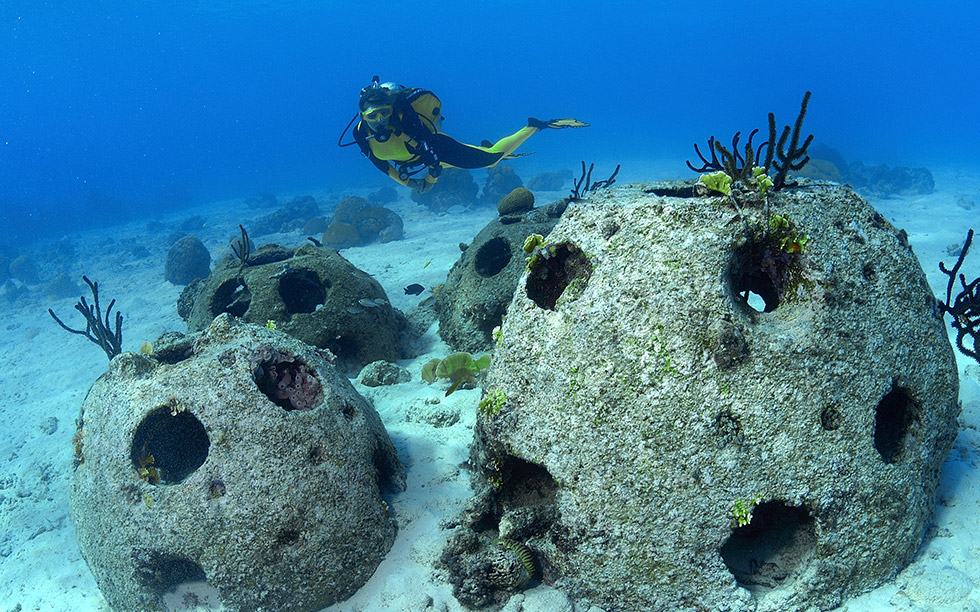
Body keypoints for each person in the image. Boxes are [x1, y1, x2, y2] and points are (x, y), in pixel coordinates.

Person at [341, 76, 588, 193]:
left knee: (492, 158)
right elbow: (381, 166)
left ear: (391, 109)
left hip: (435, 152)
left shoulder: (407, 121)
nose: (379, 121)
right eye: (372, 116)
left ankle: (537, 125)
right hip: (413, 163)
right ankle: (487, 148)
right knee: (481, 156)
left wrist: (428, 181)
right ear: (363, 118)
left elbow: (435, 162)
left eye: (383, 113)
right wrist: (408, 182)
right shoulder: (361, 135)